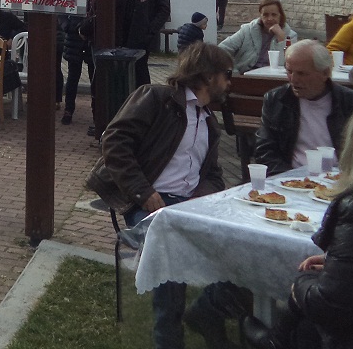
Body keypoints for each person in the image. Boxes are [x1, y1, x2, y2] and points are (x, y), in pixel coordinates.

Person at [87, 42, 240, 349]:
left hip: (189, 205)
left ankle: (206, 311)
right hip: (151, 202)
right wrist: (144, 192)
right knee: (170, 252)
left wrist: (202, 197)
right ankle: (168, 340)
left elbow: (213, 174)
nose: (229, 82)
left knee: (239, 244)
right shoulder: (156, 98)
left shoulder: (208, 121)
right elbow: (114, 142)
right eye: (227, 74)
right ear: (208, 76)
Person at [242, 111, 353, 349]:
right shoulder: (278, 100)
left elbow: (330, 303)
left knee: (306, 292)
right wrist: (338, 263)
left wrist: (300, 286)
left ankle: (274, 341)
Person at [253, 39, 353, 176]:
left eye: (302, 73)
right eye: (289, 71)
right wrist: (288, 178)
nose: (294, 79)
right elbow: (265, 150)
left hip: (340, 177)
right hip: (290, 177)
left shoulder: (350, 102)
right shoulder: (276, 99)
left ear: (325, 73)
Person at [119, 0, 171, 87]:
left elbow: (164, 10)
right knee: (132, 69)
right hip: (129, 34)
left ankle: (145, 94)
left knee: (140, 68)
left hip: (143, 34)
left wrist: (150, 30)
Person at [219, 0, 298, 74]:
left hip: (274, 77)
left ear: (280, 16)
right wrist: (233, 70)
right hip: (246, 75)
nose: (269, 18)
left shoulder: (291, 36)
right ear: (260, 16)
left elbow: (285, 65)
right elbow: (222, 49)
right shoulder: (247, 30)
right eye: (265, 15)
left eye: (274, 15)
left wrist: (281, 39)